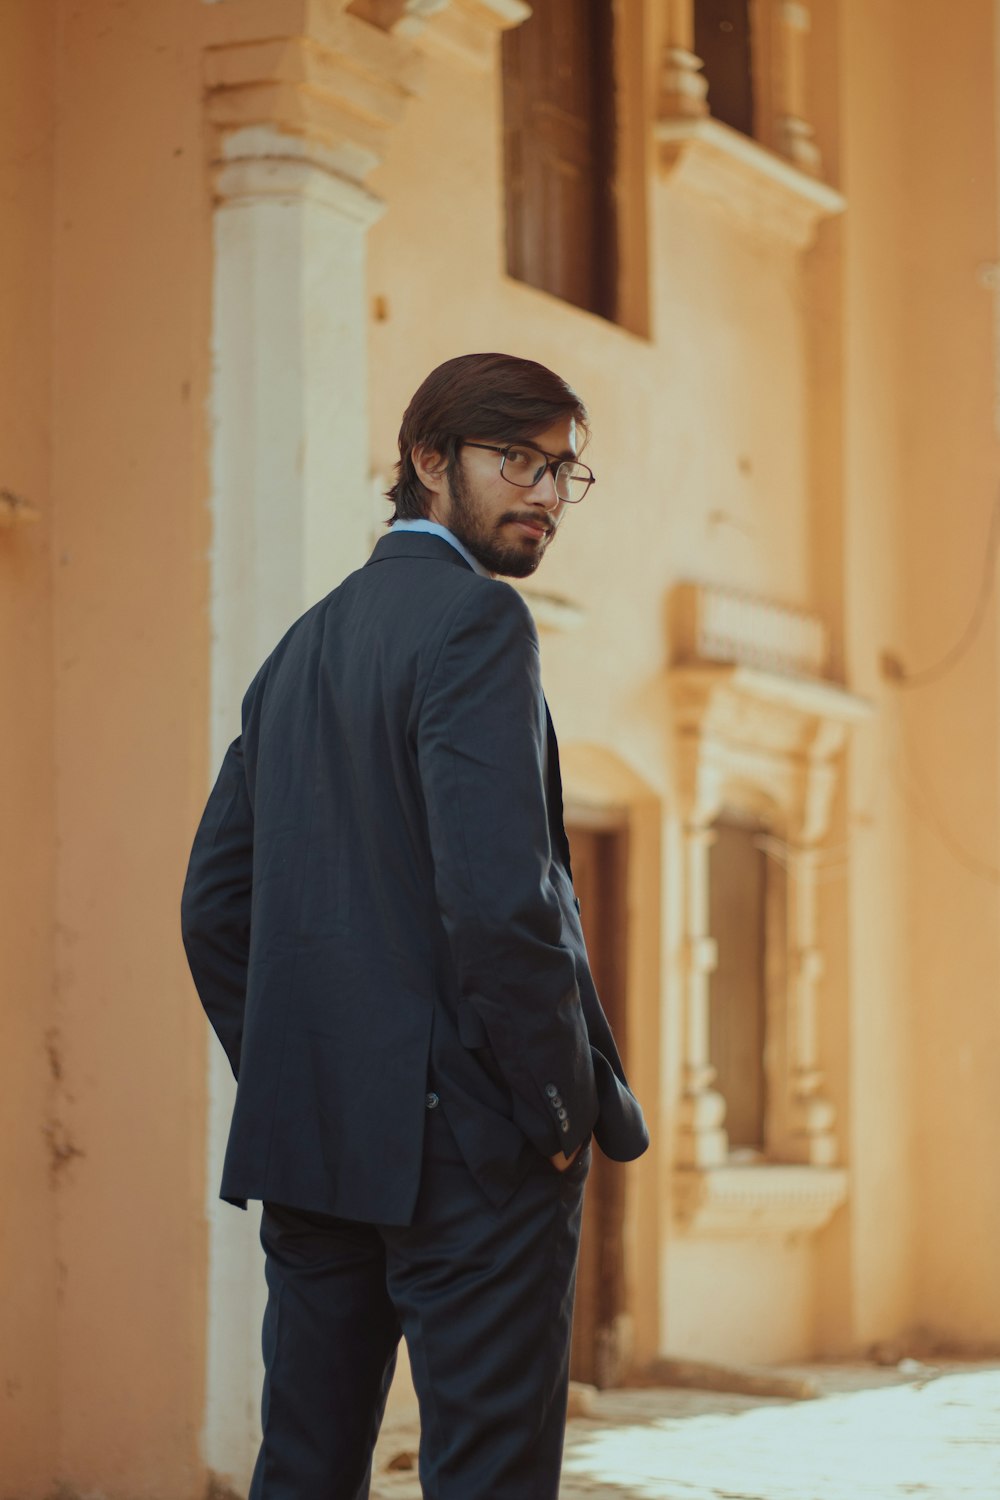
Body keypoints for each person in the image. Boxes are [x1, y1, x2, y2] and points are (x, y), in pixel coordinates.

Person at [181, 352, 649, 1500]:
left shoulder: (300, 649)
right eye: (518, 461)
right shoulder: (477, 622)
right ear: (429, 461)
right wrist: (550, 1105)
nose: (543, 494)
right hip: (473, 1155)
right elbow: (501, 899)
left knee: (302, 1469)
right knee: (486, 1478)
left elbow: (214, 907)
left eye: (562, 470)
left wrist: (303, 1066)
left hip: (315, 1137)